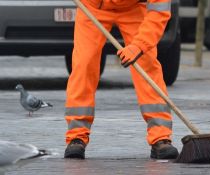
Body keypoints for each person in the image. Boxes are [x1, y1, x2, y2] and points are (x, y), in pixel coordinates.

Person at [64, 0, 178, 160]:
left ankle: (161, 137)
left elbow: (159, 10)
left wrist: (139, 46)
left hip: (133, 7)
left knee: (146, 63)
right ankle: (76, 137)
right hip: (93, 6)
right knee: (84, 64)